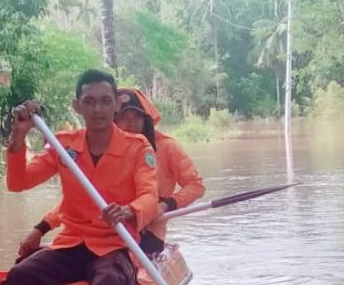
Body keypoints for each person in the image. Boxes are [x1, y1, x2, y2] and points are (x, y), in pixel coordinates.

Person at [3, 69, 159, 285]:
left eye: (105, 102)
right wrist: (19, 138)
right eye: (90, 102)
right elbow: (19, 182)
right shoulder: (64, 145)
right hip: (71, 242)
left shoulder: (137, 146)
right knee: (19, 277)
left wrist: (130, 210)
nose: (98, 110)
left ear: (116, 104)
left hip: (114, 242)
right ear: (77, 106)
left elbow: (149, 195)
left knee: (111, 280)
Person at [18, 87, 204, 260]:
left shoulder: (167, 147)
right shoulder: (97, 151)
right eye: (124, 117)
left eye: (136, 117)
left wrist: (165, 205)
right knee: (29, 260)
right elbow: (78, 199)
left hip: (145, 232)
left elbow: (195, 186)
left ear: (145, 119)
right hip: (100, 234)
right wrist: (42, 228)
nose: (130, 123)